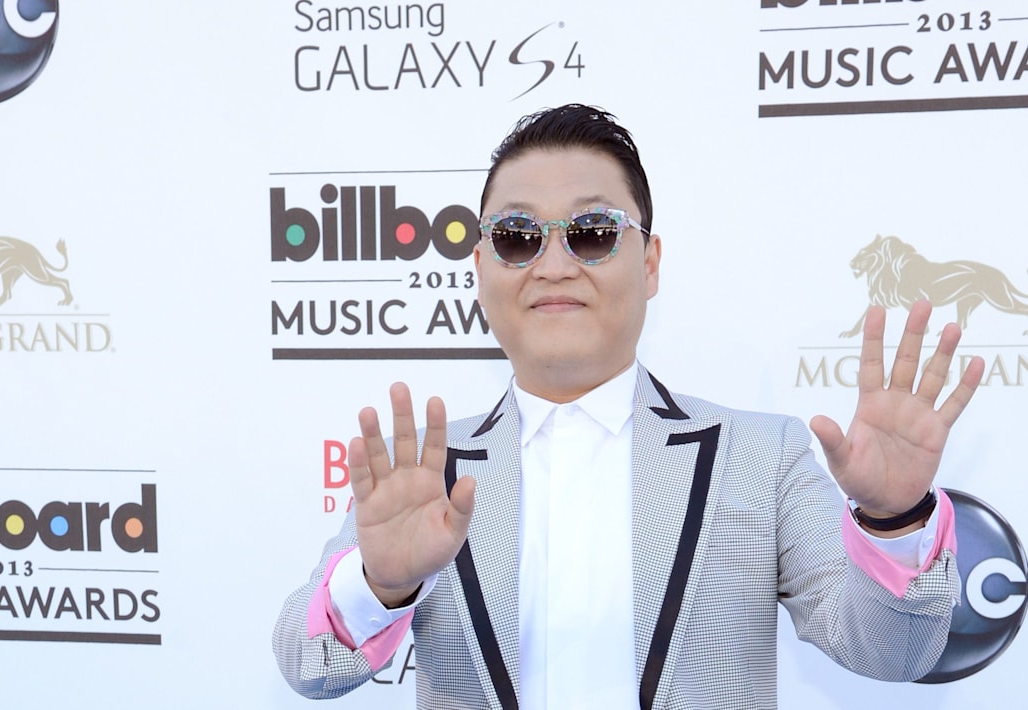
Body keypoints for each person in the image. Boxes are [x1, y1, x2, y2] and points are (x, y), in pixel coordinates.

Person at [273, 104, 985, 709]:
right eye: (518, 238)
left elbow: (893, 652)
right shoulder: (427, 471)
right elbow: (309, 666)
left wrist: (895, 521)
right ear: (481, 269)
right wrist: (381, 585)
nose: (555, 265)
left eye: (593, 232)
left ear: (649, 263)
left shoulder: (760, 457)